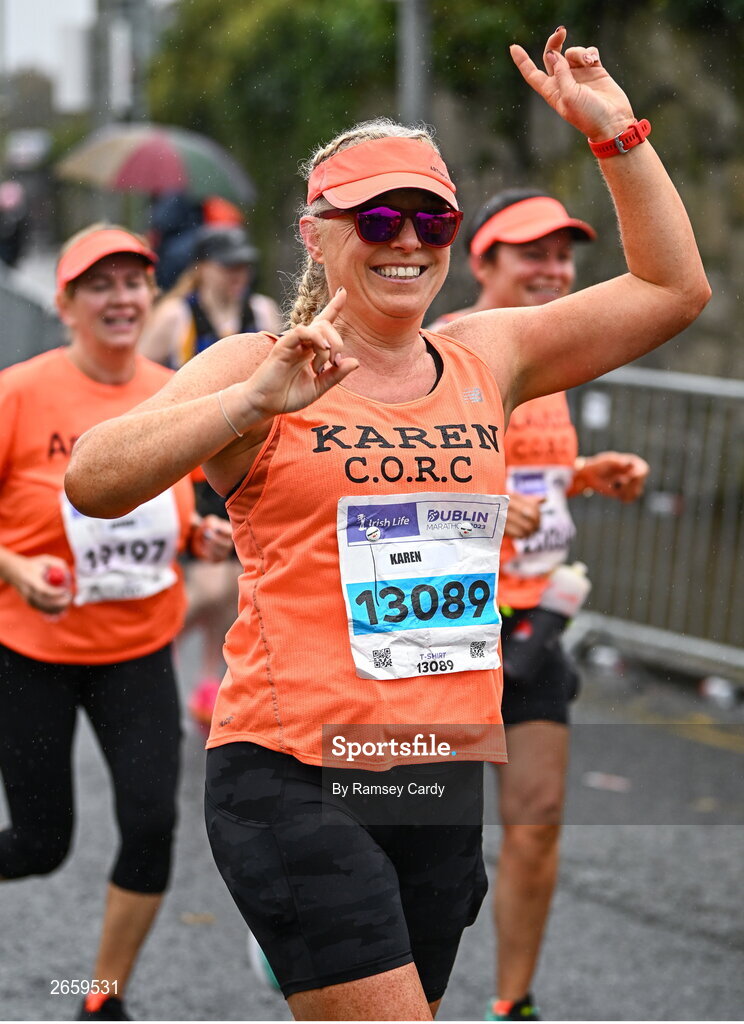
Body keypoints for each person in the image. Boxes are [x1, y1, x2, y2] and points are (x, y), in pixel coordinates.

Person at [64, 30, 709, 1021]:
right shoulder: (258, 364)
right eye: (377, 216)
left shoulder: (487, 355)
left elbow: (672, 290)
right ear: (316, 234)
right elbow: (94, 478)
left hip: (435, 773)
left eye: (432, 216)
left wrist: (617, 135)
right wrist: (248, 405)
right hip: (292, 771)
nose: (408, 239)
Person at [0, 224, 232, 1021]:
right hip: (30, 651)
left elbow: (181, 501)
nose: (121, 299)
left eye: (134, 282)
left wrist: (200, 536)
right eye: (99, 285)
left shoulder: (176, 391)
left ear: (151, 295)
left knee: (152, 822)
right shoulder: (19, 392)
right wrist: (15, 568)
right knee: (40, 845)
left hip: (137, 649)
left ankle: (102, 998)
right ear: (65, 304)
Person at [430, 188, 649, 1021]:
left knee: (539, 817)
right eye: (532, 254)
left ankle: (512, 1001)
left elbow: (524, 472)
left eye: (563, 255)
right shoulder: (447, 350)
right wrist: (484, 511)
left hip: (535, 619)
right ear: (481, 260)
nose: (554, 270)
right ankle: (334, 955)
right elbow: (383, 484)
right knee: (420, 828)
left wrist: (582, 476)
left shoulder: (551, 353)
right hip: (447, 623)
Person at [139, 224, 282, 730]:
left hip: (247, 464)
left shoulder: (261, 312)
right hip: (192, 473)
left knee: (235, 582)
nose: (239, 275)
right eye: (228, 266)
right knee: (211, 583)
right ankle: (150, 648)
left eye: (244, 265)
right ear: (203, 268)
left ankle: (206, 681)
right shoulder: (175, 317)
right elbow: (140, 390)